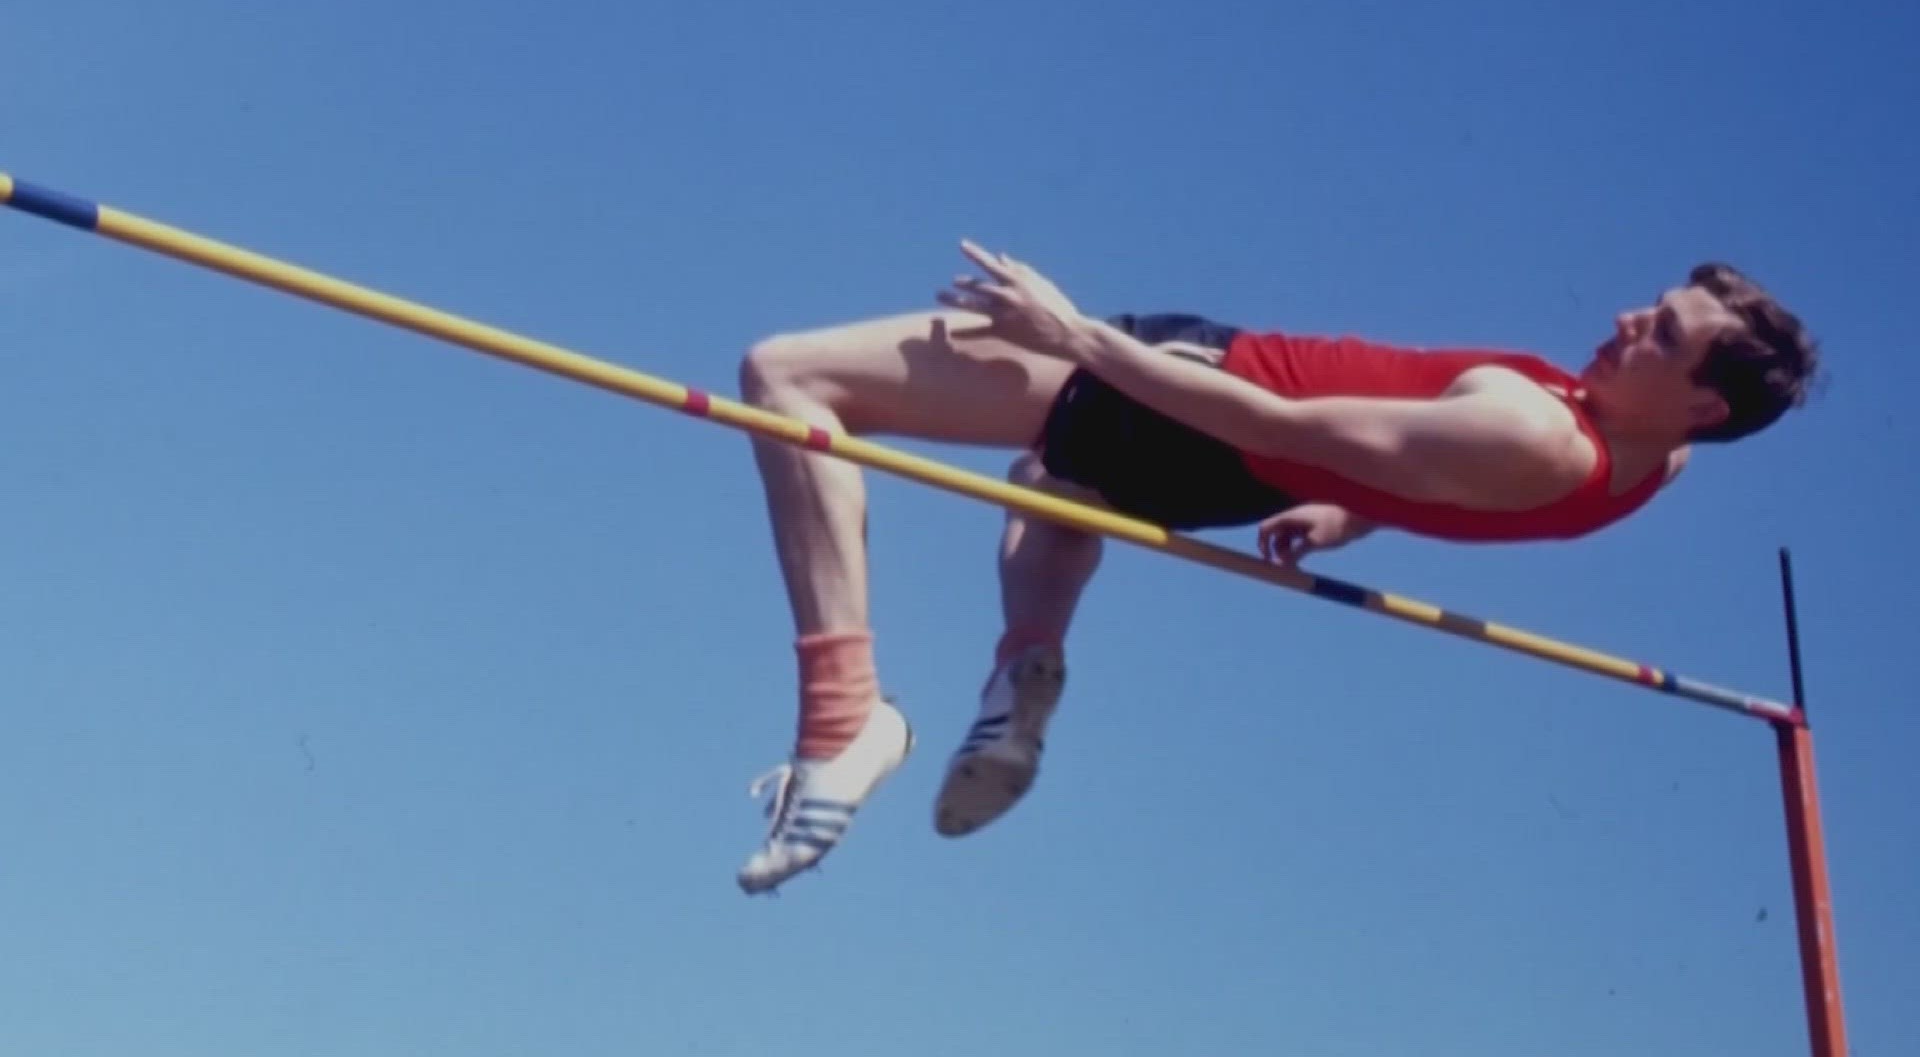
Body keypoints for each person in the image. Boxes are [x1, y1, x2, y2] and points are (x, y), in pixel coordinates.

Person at [730, 241, 1820, 895]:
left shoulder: (1536, 430)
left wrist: (1072, 335)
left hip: (1202, 394)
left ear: (1704, 401)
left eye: (1662, 334)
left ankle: (842, 723)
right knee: (1057, 482)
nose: (1630, 318)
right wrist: (1353, 512)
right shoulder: (1654, 464)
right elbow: (1436, 476)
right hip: (1225, 457)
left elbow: (1280, 418)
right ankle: (1024, 673)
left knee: (788, 376)